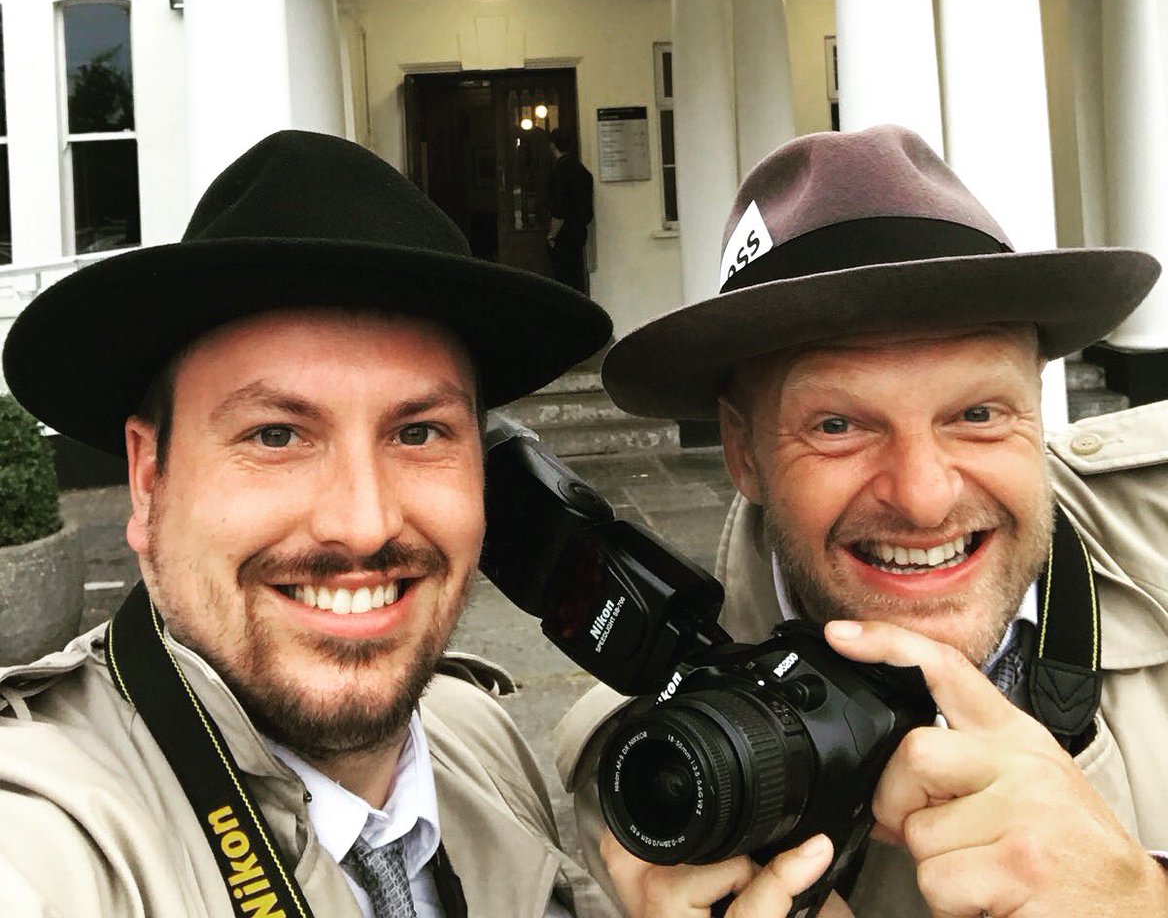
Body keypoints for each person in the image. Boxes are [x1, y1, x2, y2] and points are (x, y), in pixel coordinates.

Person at [0, 130, 620, 918]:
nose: (363, 525)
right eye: (277, 435)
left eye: (419, 432)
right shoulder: (45, 840)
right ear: (149, 479)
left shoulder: (474, 735)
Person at [556, 124, 1168, 917]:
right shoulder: (652, 781)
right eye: (838, 426)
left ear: (1039, 405)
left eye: (977, 413)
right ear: (742, 451)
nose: (924, 497)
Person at [546, 127, 594, 294]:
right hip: (580, 230)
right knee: (576, 274)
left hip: (564, 233)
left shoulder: (559, 172)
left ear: (553, 146)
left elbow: (559, 210)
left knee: (563, 278)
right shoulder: (582, 171)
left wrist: (552, 235)